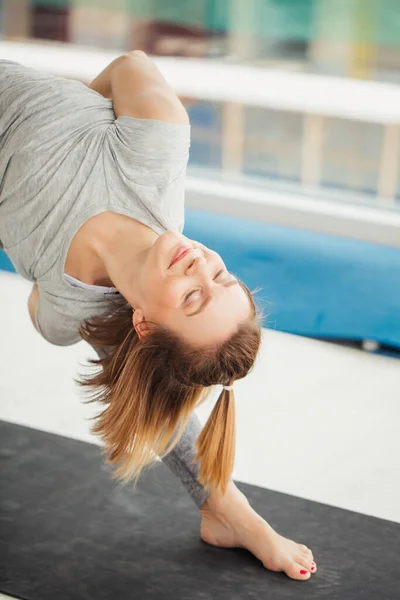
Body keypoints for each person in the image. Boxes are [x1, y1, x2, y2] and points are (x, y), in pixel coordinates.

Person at [0, 51, 316, 580]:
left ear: (143, 323)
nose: (200, 265)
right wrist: (71, 104)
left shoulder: (71, 308)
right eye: (221, 278)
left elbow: (51, 315)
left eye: (193, 298)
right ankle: (226, 509)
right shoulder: (155, 147)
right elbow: (131, 64)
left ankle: (228, 511)